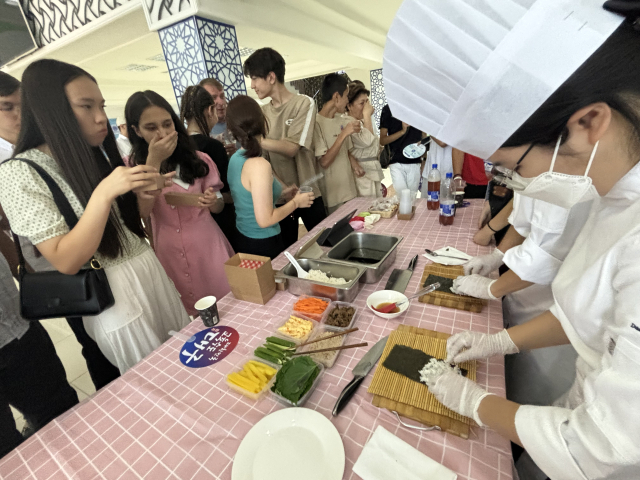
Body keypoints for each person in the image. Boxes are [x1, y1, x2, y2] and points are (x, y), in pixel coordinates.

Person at [385, 2, 640, 478]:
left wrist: (473, 401)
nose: (518, 183)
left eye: (516, 167)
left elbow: (597, 447)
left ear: (587, 123)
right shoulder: (616, 195)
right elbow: (584, 313)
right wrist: (497, 342)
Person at [0, 59, 190, 374]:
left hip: (148, 269)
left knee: (188, 359)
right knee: (161, 383)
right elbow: (65, 260)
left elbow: (131, 228)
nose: (101, 118)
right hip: (113, 293)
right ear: (51, 109)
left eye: (100, 105)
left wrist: (142, 194)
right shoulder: (17, 172)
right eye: (86, 106)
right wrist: (104, 194)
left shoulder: (88, 154)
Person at [0, 71, 120, 390]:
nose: (19, 114)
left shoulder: (57, 152)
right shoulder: (13, 169)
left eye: (22, 104)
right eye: (6, 106)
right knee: (95, 345)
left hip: (97, 266)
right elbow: (62, 256)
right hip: (65, 273)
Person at [126, 89, 233, 316]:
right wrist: (153, 162)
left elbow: (219, 205)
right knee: (185, 316)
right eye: (151, 128)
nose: (162, 133)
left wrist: (212, 201)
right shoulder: (131, 167)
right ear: (136, 130)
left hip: (207, 247)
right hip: (167, 251)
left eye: (167, 124)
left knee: (228, 308)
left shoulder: (198, 159)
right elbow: (140, 215)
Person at [243, 48, 326, 247]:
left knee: (326, 245)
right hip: (281, 196)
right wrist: (282, 188)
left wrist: (257, 139)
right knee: (286, 252)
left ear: (271, 77)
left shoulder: (303, 103)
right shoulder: (261, 113)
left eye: (255, 79)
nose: (252, 85)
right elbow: (264, 161)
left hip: (308, 190)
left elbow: (292, 148)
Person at [0, 254, 79, 459]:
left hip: (17, 328)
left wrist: (33, 281)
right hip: (16, 331)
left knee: (62, 417)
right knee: (7, 453)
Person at [226, 95, 314, 259]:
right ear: (263, 122)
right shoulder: (259, 164)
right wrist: (296, 202)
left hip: (244, 237)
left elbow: (249, 197)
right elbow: (265, 219)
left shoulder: (235, 159)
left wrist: (283, 192)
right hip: (263, 243)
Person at [181, 85, 239, 252]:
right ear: (209, 110)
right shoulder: (212, 147)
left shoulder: (178, 145)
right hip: (220, 225)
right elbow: (230, 193)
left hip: (191, 228)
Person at [314, 74, 361, 214]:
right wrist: (343, 134)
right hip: (333, 196)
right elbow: (324, 162)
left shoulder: (341, 120)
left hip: (350, 191)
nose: (347, 101)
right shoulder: (316, 123)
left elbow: (346, 151)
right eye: (346, 96)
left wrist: (354, 163)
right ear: (336, 97)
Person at [345, 82, 384, 197]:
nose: (366, 107)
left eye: (367, 102)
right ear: (349, 105)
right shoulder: (347, 122)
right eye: (362, 103)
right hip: (362, 172)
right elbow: (367, 141)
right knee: (367, 209)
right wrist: (367, 115)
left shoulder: (362, 122)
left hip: (372, 168)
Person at [379, 104, 424, 194]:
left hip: (414, 162)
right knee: (402, 197)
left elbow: (423, 136)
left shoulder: (418, 107)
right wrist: (402, 131)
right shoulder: (388, 109)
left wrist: (424, 160)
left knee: (412, 198)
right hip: (396, 161)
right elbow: (382, 140)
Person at [199, 78, 237, 157]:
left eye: (222, 96)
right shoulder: (200, 132)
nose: (221, 102)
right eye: (213, 98)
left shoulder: (237, 122)